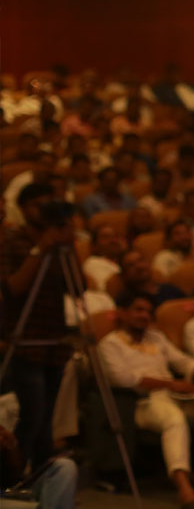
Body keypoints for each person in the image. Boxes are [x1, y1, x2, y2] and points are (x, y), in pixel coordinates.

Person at [99, 291, 194, 508]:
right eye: (138, 310)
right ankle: (184, 487)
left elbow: (182, 361)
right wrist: (171, 384)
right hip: (141, 403)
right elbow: (122, 379)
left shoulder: (156, 337)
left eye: (149, 311)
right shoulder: (110, 344)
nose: (145, 316)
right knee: (174, 420)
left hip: (176, 396)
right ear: (121, 313)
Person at [0, 187, 74, 467]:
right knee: (31, 415)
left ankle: (44, 477)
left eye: (49, 205)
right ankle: (14, 475)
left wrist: (68, 245)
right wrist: (42, 248)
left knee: (46, 420)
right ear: (23, 208)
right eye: (38, 205)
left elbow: (78, 287)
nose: (44, 211)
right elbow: (13, 288)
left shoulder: (58, 244)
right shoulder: (11, 241)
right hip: (24, 342)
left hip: (54, 342)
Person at [82, 223, 128, 291]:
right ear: (95, 245)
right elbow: (106, 289)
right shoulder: (93, 263)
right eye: (106, 237)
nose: (113, 240)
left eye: (116, 236)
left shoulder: (128, 261)